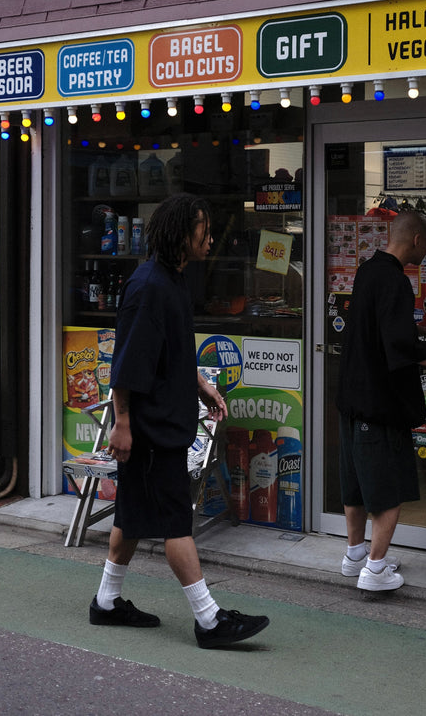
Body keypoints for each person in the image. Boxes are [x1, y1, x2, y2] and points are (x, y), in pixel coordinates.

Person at [89, 193, 269, 648]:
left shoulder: (171, 281)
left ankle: (106, 602)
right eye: (202, 230)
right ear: (180, 234)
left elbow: (169, 353)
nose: (209, 239)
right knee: (175, 523)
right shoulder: (149, 286)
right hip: (151, 428)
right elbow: (128, 363)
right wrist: (123, 422)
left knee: (130, 516)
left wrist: (201, 386)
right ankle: (209, 620)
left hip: (160, 421)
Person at [336, 210, 426, 592]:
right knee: (388, 489)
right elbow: (398, 341)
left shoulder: (366, 271)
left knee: (356, 486)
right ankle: (376, 571)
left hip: (350, 400)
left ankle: (355, 556)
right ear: (416, 240)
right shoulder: (396, 281)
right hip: (379, 404)